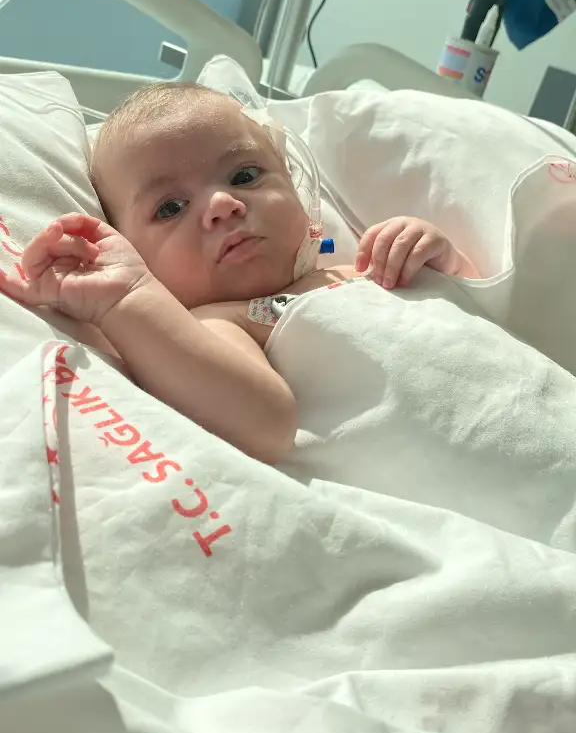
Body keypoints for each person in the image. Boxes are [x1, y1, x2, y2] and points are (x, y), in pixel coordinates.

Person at [0, 83, 478, 463]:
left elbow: (477, 314)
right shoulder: (223, 322)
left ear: (297, 186)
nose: (222, 204)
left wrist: (439, 258)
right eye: (170, 207)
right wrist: (127, 299)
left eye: (244, 176)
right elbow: (263, 424)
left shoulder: (360, 266)